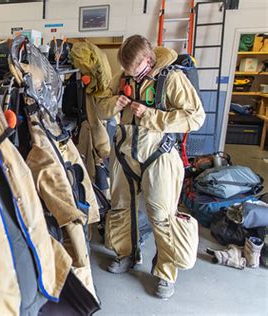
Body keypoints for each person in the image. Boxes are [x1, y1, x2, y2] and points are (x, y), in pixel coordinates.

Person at [95, 35, 206, 299]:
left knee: (161, 215)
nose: (131, 74)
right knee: (122, 207)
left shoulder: (172, 78)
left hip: (159, 155)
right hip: (124, 155)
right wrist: (114, 104)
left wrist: (152, 116)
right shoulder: (123, 77)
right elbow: (100, 108)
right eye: (127, 70)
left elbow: (196, 117)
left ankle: (165, 274)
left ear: (148, 59)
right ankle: (126, 254)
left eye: (135, 69)